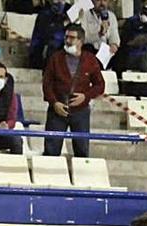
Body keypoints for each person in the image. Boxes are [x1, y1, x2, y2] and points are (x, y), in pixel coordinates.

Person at [42, 24, 105, 158]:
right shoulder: (55, 58)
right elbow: (47, 84)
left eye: (72, 37)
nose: (68, 40)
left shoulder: (90, 60)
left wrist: (86, 96)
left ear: (80, 41)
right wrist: (54, 103)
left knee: (82, 150)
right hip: (57, 110)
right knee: (51, 150)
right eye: (66, 37)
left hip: (80, 111)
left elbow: (100, 85)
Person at [28, 0, 71, 69]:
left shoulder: (69, 9)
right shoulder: (45, 12)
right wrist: (65, 22)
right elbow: (47, 33)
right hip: (45, 50)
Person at [79, 0, 119, 67]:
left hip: (105, 51)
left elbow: (114, 35)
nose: (102, 3)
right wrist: (99, 34)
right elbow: (82, 38)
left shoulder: (111, 16)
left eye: (105, 0)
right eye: (98, 0)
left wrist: (114, 44)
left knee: (119, 53)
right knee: (88, 49)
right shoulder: (84, 14)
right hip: (89, 49)